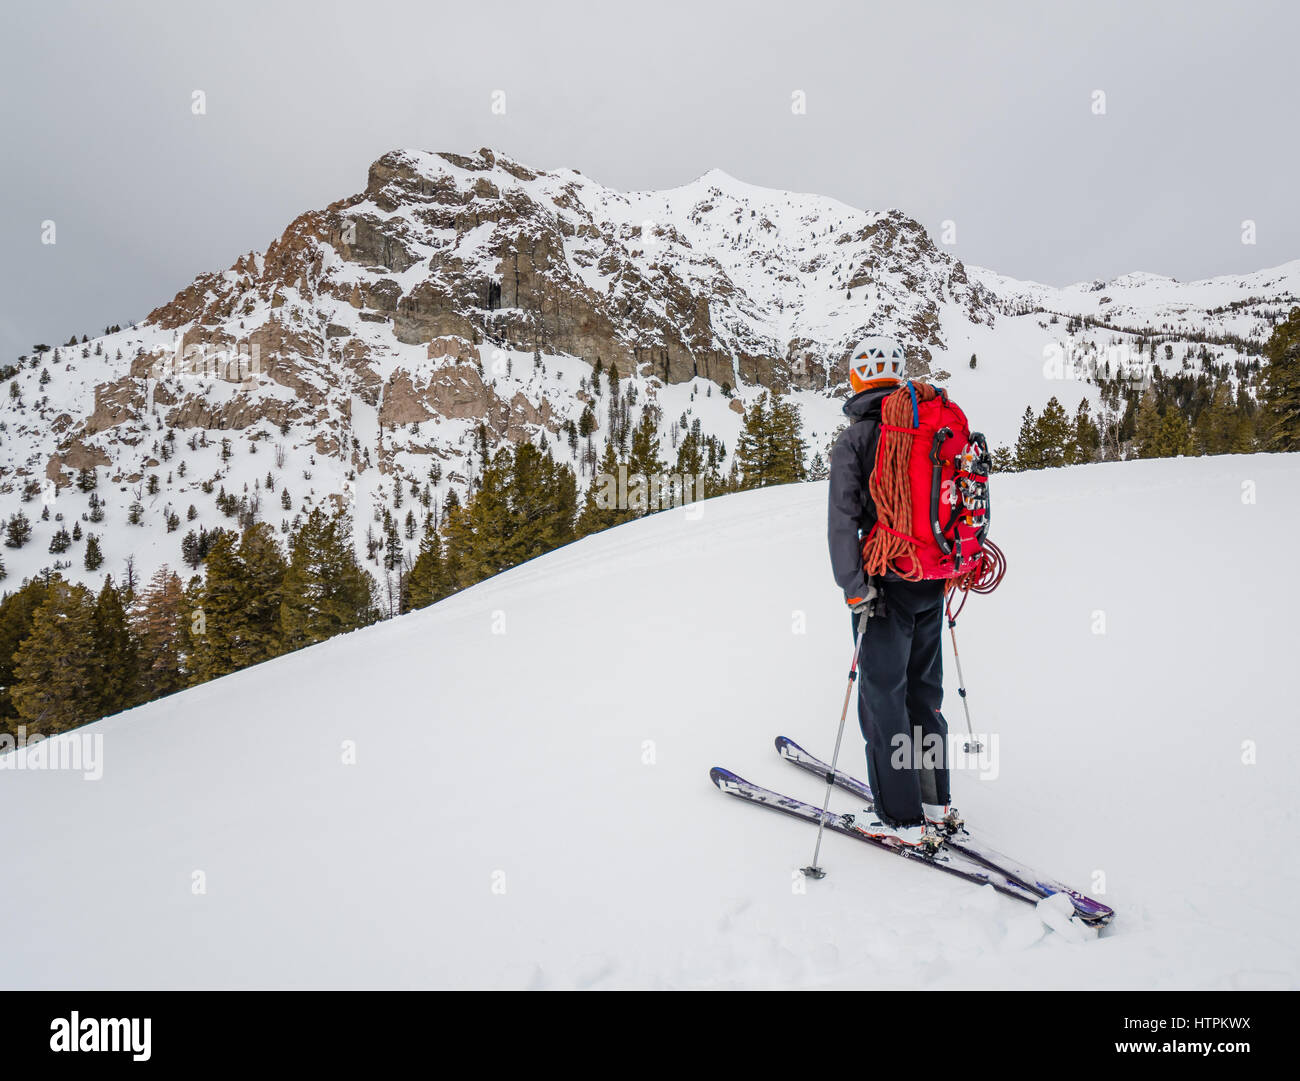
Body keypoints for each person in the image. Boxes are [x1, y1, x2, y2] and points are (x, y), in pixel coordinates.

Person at [826, 336, 959, 849]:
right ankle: (933, 801)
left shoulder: (856, 438)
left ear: (858, 379)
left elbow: (842, 523)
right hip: (933, 576)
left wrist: (853, 588)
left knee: (884, 699)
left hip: (883, 584)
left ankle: (900, 819)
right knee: (924, 694)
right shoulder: (932, 425)